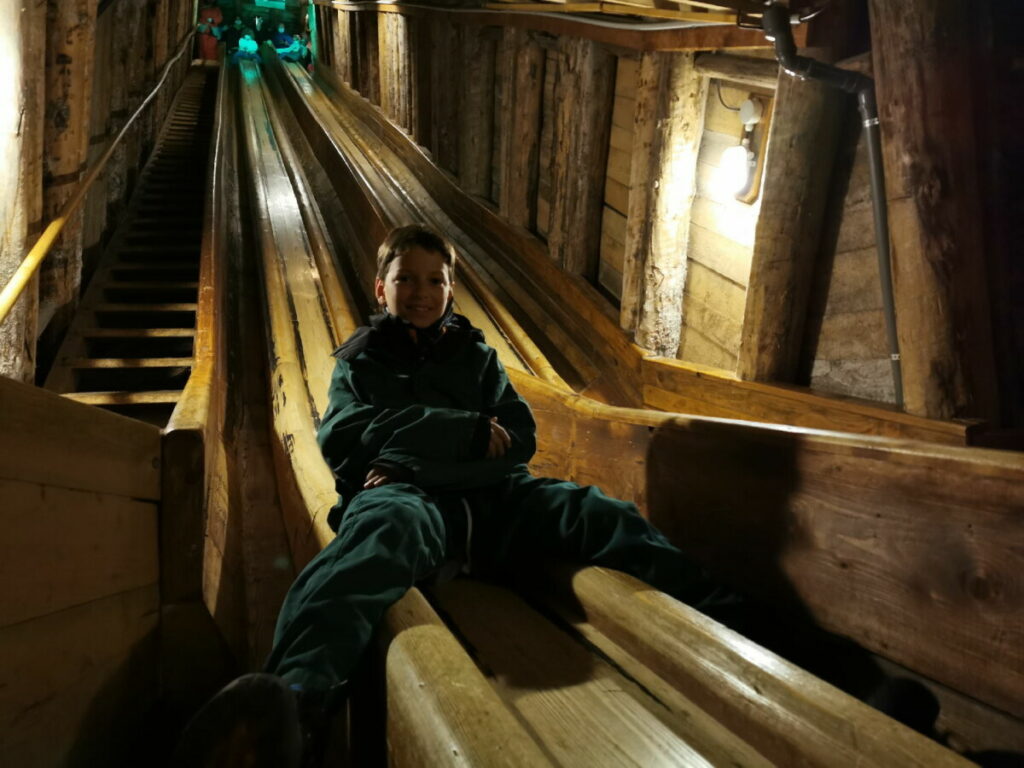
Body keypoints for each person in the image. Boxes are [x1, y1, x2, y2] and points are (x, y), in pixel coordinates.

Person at [175, 225, 737, 767]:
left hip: (489, 499)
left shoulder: (477, 357)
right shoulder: (361, 362)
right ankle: (294, 700)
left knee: (594, 511)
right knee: (377, 538)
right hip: (406, 500)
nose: (421, 293)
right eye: (406, 280)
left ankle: (726, 619)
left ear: (450, 290)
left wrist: (406, 450)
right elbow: (344, 439)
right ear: (381, 288)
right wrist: (455, 433)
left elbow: (518, 438)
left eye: (435, 280)